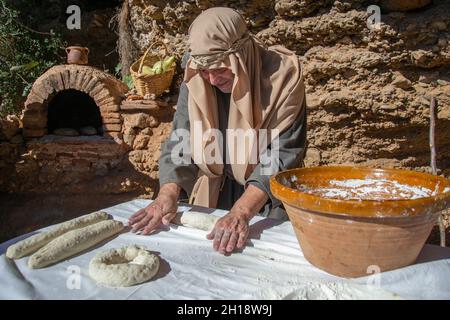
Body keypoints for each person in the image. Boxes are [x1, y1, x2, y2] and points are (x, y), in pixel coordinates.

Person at [128, 7, 307, 255]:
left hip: (263, 198)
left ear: (241, 56)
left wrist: (242, 211)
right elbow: (182, 138)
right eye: (204, 70)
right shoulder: (197, 79)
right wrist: (167, 193)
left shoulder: (282, 79)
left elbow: (280, 155)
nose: (212, 79)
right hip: (215, 191)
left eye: (221, 69)